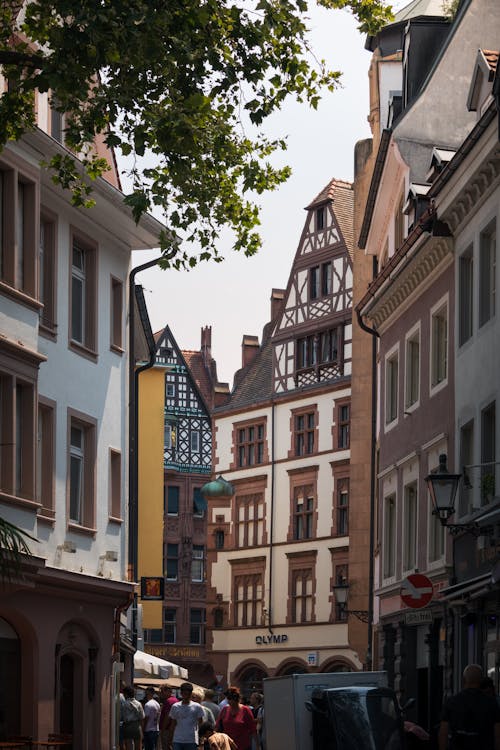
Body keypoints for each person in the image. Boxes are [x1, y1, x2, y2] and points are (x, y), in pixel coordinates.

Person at [438, 664, 500, 750]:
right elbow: (497, 733)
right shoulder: (491, 703)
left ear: (464, 679)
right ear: (481, 680)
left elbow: (443, 733)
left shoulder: (452, 702)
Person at [168, 681, 204, 750]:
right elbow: (173, 724)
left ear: (191, 694)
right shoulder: (175, 706)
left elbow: (201, 724)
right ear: (181, 693)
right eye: (185, 694)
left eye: (188, 694)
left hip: (192, 740)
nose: (186, 696)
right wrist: (170, 740)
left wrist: (201, 739)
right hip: (177, 740)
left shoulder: (197, 707)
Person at [120, 685, 145, 750]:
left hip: (127, 726)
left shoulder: (124, 704)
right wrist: (142, 729)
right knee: (138, 747)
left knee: (128, 746)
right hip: (136, 726)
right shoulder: (138, 704)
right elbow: (142, 717)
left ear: (126, 694)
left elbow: (122, 716)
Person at [160, 685, 179, 750]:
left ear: (167, 691)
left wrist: (163, 730)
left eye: (162, 692)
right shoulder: (176, 700)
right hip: (174, 729)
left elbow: (167, 717)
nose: (161, 694)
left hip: (167, 730)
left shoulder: (169, 701)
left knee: (166, 747)